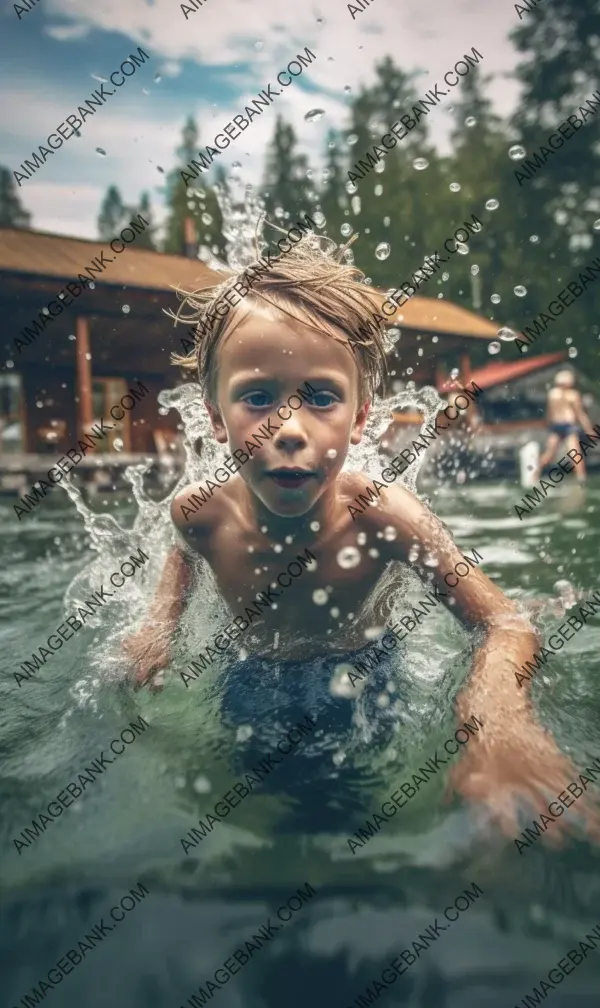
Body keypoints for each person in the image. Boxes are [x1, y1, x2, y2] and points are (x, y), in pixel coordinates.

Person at [124, 230, 600, 843]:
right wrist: (157, 626)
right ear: (216, 416)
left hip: (366, 672)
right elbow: (182, 556)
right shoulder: (199, 513)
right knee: (258, 821)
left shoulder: (386, 516)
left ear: (361, 415)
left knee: (375, 819)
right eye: (258, 397)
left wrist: (498, 722)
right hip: (248, 676)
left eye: (321, 397)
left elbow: (506, 624)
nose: (289, 428)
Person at [536, 369, 593, 483]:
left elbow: (549, 413)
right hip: (568, 426)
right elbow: (580, 414)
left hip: (557, 426)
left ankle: (534, 475)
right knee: (574, 454)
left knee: (550, 454)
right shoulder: (573, 395)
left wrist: (547, 424)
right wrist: (588, 429)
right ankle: (581, 477)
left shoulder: (552, 394)